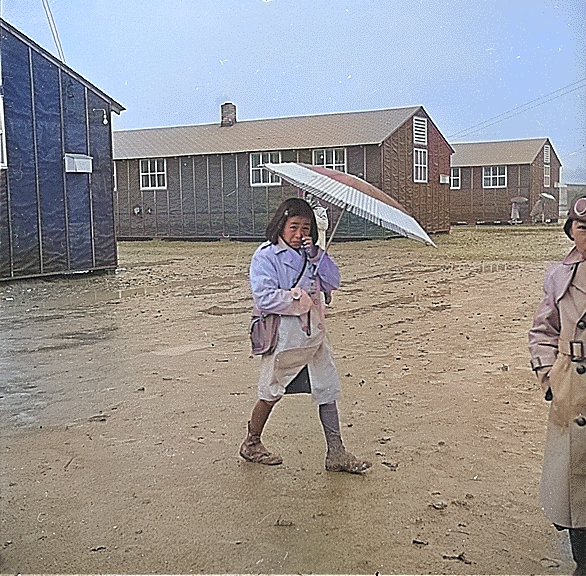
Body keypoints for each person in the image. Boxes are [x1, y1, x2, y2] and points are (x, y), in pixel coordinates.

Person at [240, 197, 372, 474]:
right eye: (294, 226)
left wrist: (318, 257)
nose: (300, 234)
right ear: (281, 226)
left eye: (306, 227)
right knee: (271, 390)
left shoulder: (312, 254)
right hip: (284, 337)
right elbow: (264, 298)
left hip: (314, 335)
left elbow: (333, 281)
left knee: (328, 387)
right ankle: (252, 443)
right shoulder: (265, 256)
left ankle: (336, 452)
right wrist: (299, 297)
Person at [529, 195, 586, 576]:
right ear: (571, 231)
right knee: (573, 475)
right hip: (573, 385)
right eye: (583, 227)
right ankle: (582, 559)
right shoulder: (560, 276)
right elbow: (542, 329)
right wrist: (548, 374)